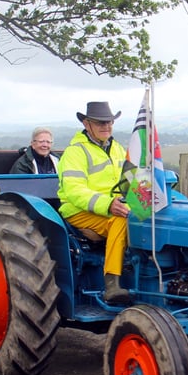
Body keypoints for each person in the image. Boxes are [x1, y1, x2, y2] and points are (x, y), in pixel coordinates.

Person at [57, 102, 130, 303]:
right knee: (121, 221)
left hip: (114, 205)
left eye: (109, 122)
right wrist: (108, 205)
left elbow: (130, 180)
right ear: (87, 123)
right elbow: (75, 191)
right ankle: (112, 284)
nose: (106, 126)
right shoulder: (75, 152)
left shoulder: (117, 149)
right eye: (100, 123)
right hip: (79, 210)